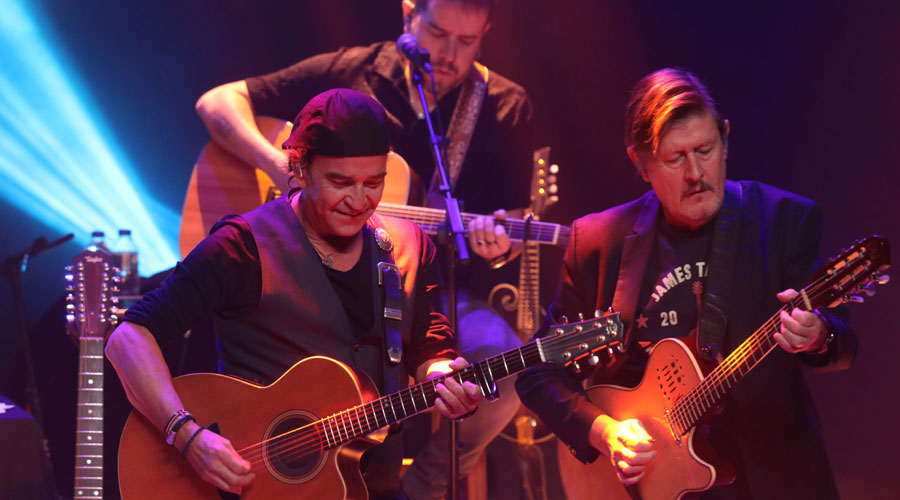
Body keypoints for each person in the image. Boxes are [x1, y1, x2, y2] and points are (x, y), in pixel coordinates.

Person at [195, 0, 533, 496]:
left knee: (507, 369)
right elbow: (217, 102)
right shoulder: (351, 70)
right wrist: (277, 166)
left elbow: (507, 235)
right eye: (438, 34)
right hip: (324, 281)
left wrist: (496, 246)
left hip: (436, 292)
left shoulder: (505, 105)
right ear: (409, 15)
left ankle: (424, 485)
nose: (449, 54)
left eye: (468, 42)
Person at [105, 89, 484, 499]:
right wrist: (187, 435)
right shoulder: (243, 245)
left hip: (374, 484)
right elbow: (128, 338)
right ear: (300, 169)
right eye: (341, 182)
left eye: (374, 183)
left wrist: (443, 378)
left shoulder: (409, 247)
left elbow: (430, 352)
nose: (359, 201)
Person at [515, 68, 857, 499]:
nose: (696, 173)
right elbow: (537, 371)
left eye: (706, 150)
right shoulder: (599, 242)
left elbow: (842, 340)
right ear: (640, 163)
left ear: (726, 137)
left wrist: (818, 335)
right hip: (645, 484)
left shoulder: (784, 220)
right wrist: (604, 433)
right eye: (676, 158)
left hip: (766, 474)